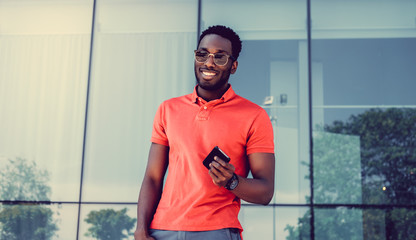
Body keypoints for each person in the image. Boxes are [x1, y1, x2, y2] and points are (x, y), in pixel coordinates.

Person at [134, 25, 275, 240]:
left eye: (220, 57)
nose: (208, 62)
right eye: (202, 54)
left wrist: (232, 181)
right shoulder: (167, 110)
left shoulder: (254, 116)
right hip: (162, 230)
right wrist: (141, 229)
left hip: (216, 232)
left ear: (233, 66)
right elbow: (153, 177)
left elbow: (265, 191)